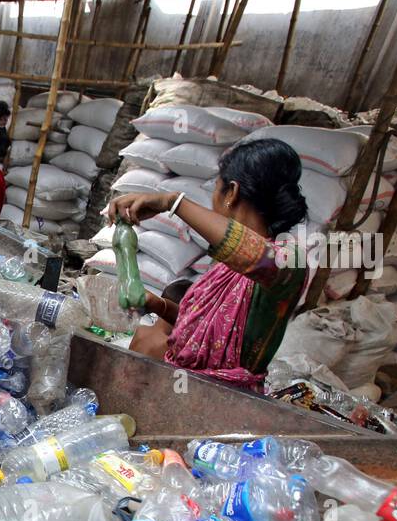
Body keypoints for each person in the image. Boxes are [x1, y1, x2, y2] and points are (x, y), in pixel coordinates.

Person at [106, 138, 309, 389]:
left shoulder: (289, 262)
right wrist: (156, 304)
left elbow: (253, 254)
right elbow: (206, 334)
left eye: (216, 186)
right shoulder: (226, 264)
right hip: (179, 388)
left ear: (231, 193)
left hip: (223, 404)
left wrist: (172, 202)